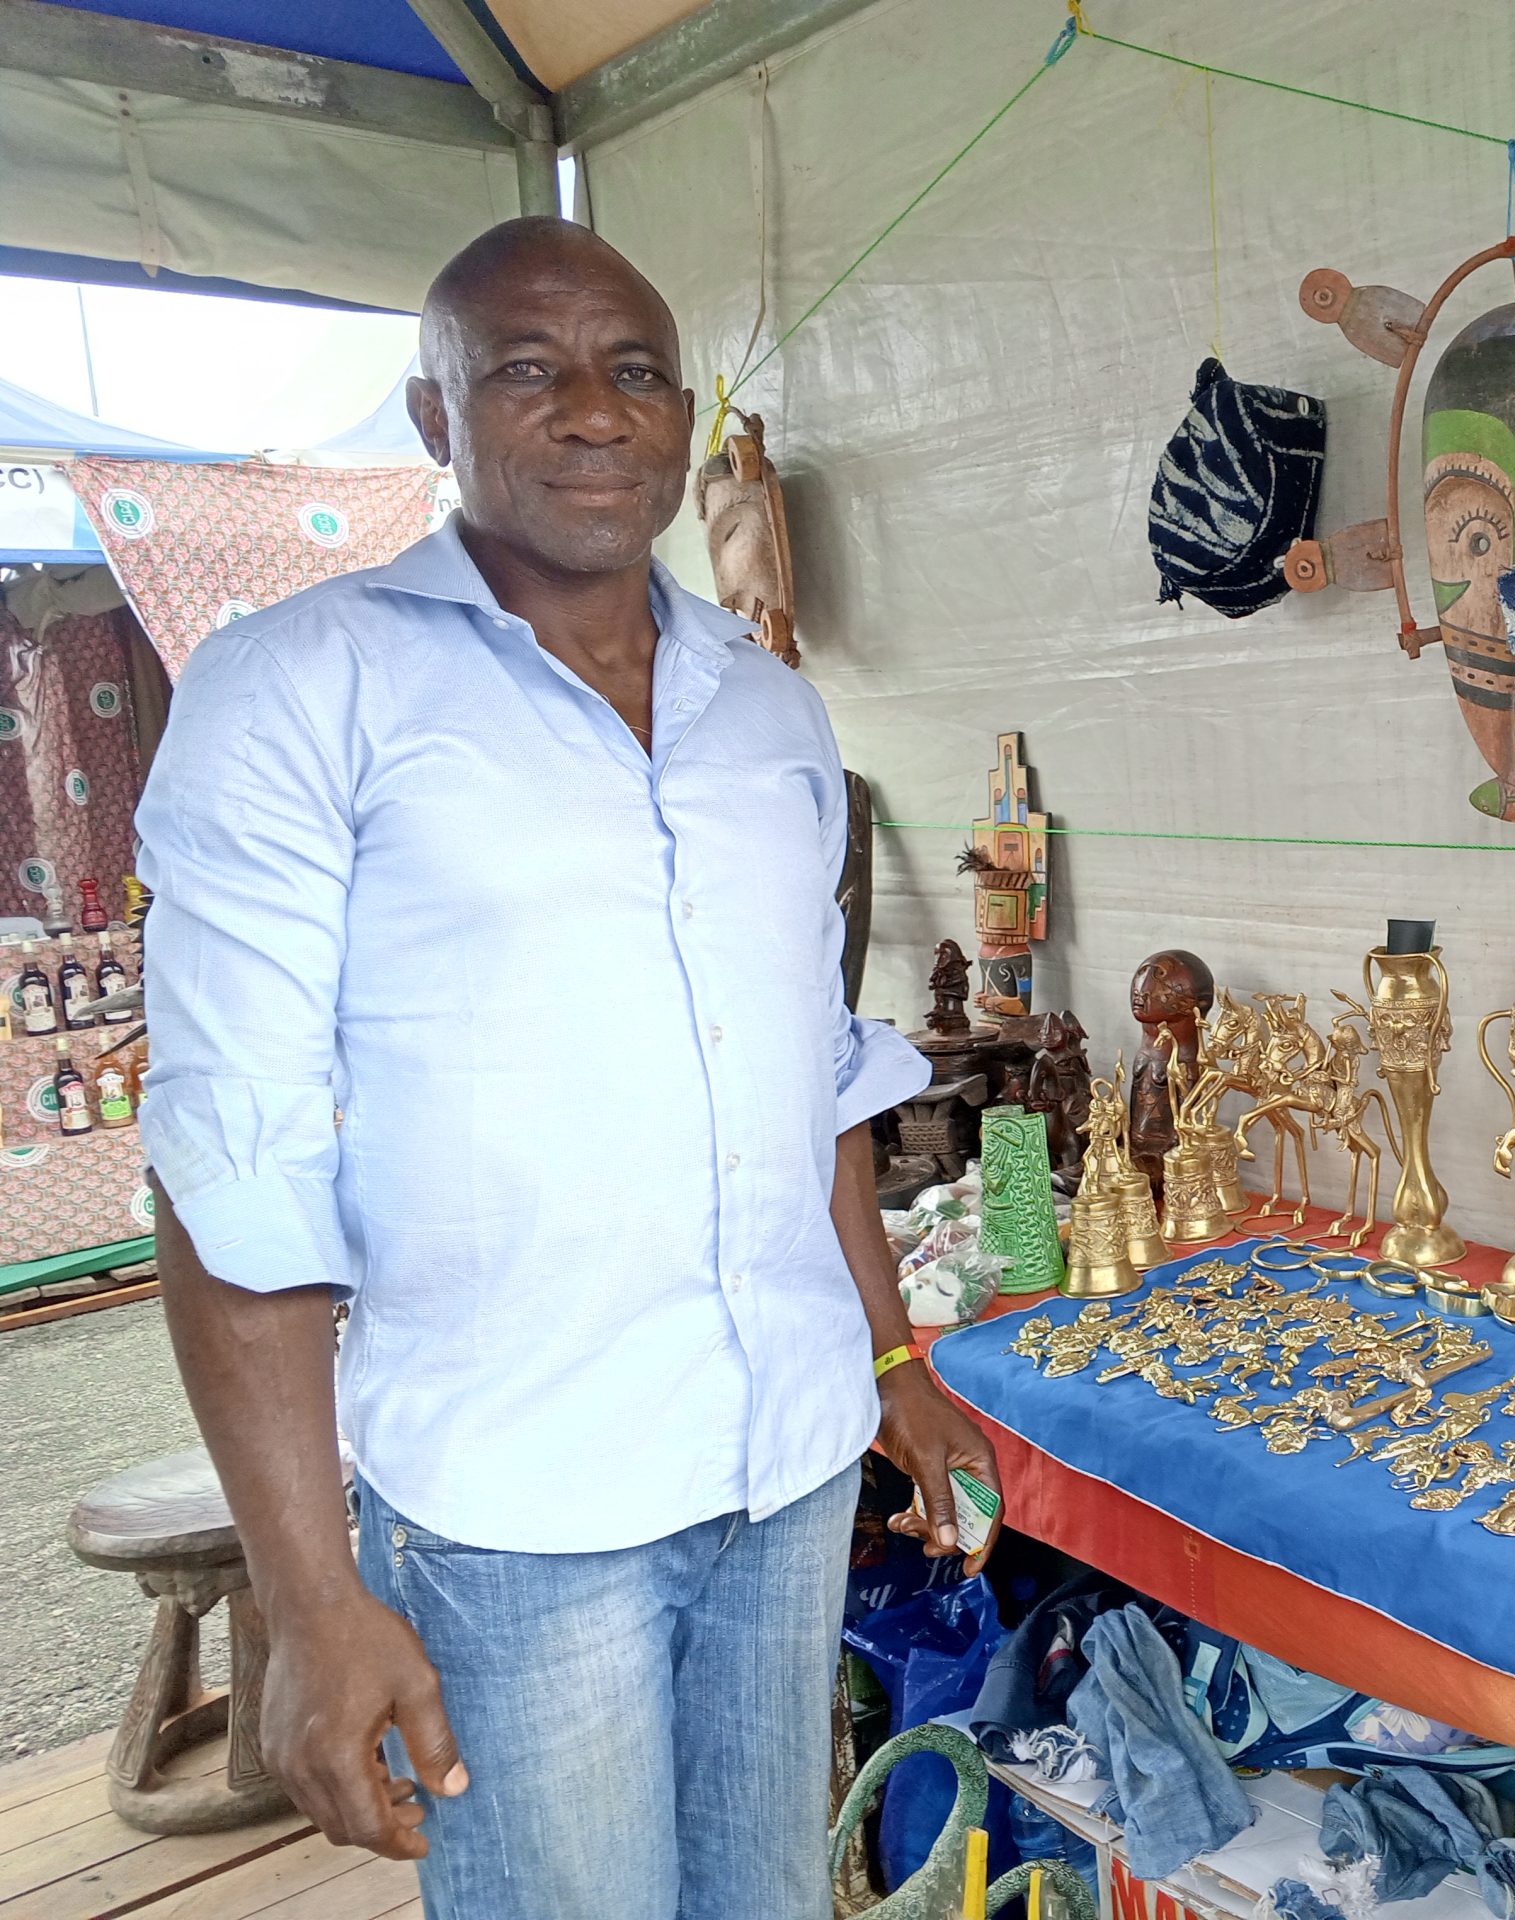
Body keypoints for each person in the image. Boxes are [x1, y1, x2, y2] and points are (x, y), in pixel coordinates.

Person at [138, 216, 1002, 1920]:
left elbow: (812, 1075)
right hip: (521, 1512)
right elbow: (231, 1161)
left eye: (633, 372)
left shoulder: (769, 713)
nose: (594, 412)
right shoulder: (303, 688)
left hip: (785, 1461)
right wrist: (314, 1601)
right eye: (526, 370)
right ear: (432, 416)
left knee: (760, 1898)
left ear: (686, 420)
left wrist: (892, 1352)